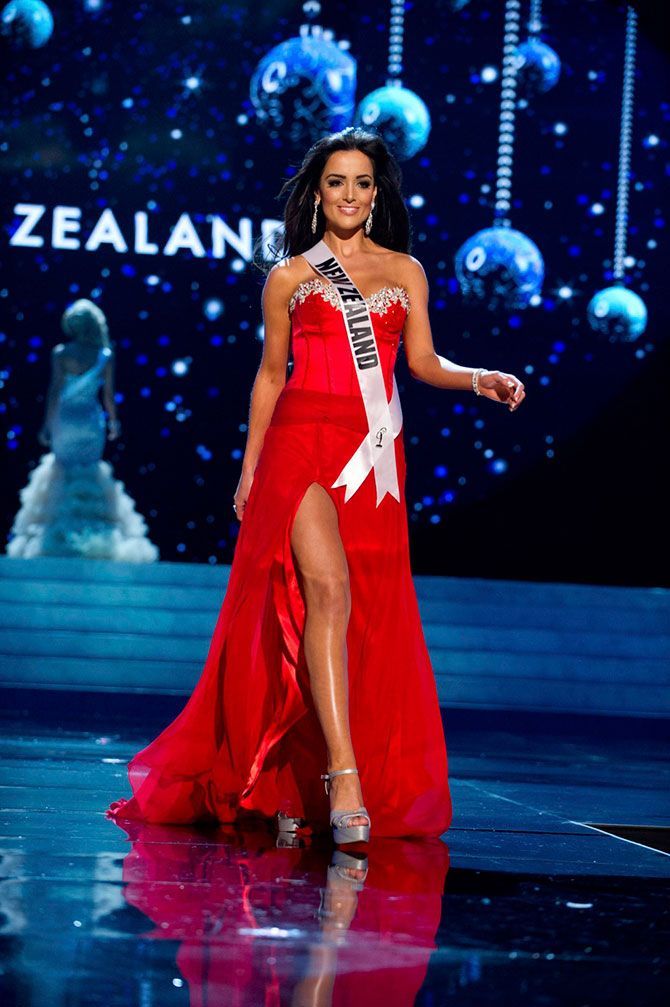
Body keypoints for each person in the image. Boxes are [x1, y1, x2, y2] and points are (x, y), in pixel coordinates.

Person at [106, 127, 526, 843]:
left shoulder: (407, 270)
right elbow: (272, 375)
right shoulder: (291, 277)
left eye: (363, 183)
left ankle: (297, 770)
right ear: (317, 192)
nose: (350, 195)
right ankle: (342, 775)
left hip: (371, 455)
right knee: (327, 591)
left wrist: (478, 376)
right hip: (298, 450)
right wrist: (249, 468)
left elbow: (419, 361)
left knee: (351, 615)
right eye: (337, 182)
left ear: (377, 193)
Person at [6, 298, 159, 562]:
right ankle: (93, 539)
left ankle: (60, 540)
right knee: (89, 473)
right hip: (90, 421)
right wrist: (113, 422)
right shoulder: (105, 355)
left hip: (65, 420)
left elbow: (54, 392)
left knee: (62, 473)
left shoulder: (61, 353)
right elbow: (108, 397)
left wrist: (46, 425)